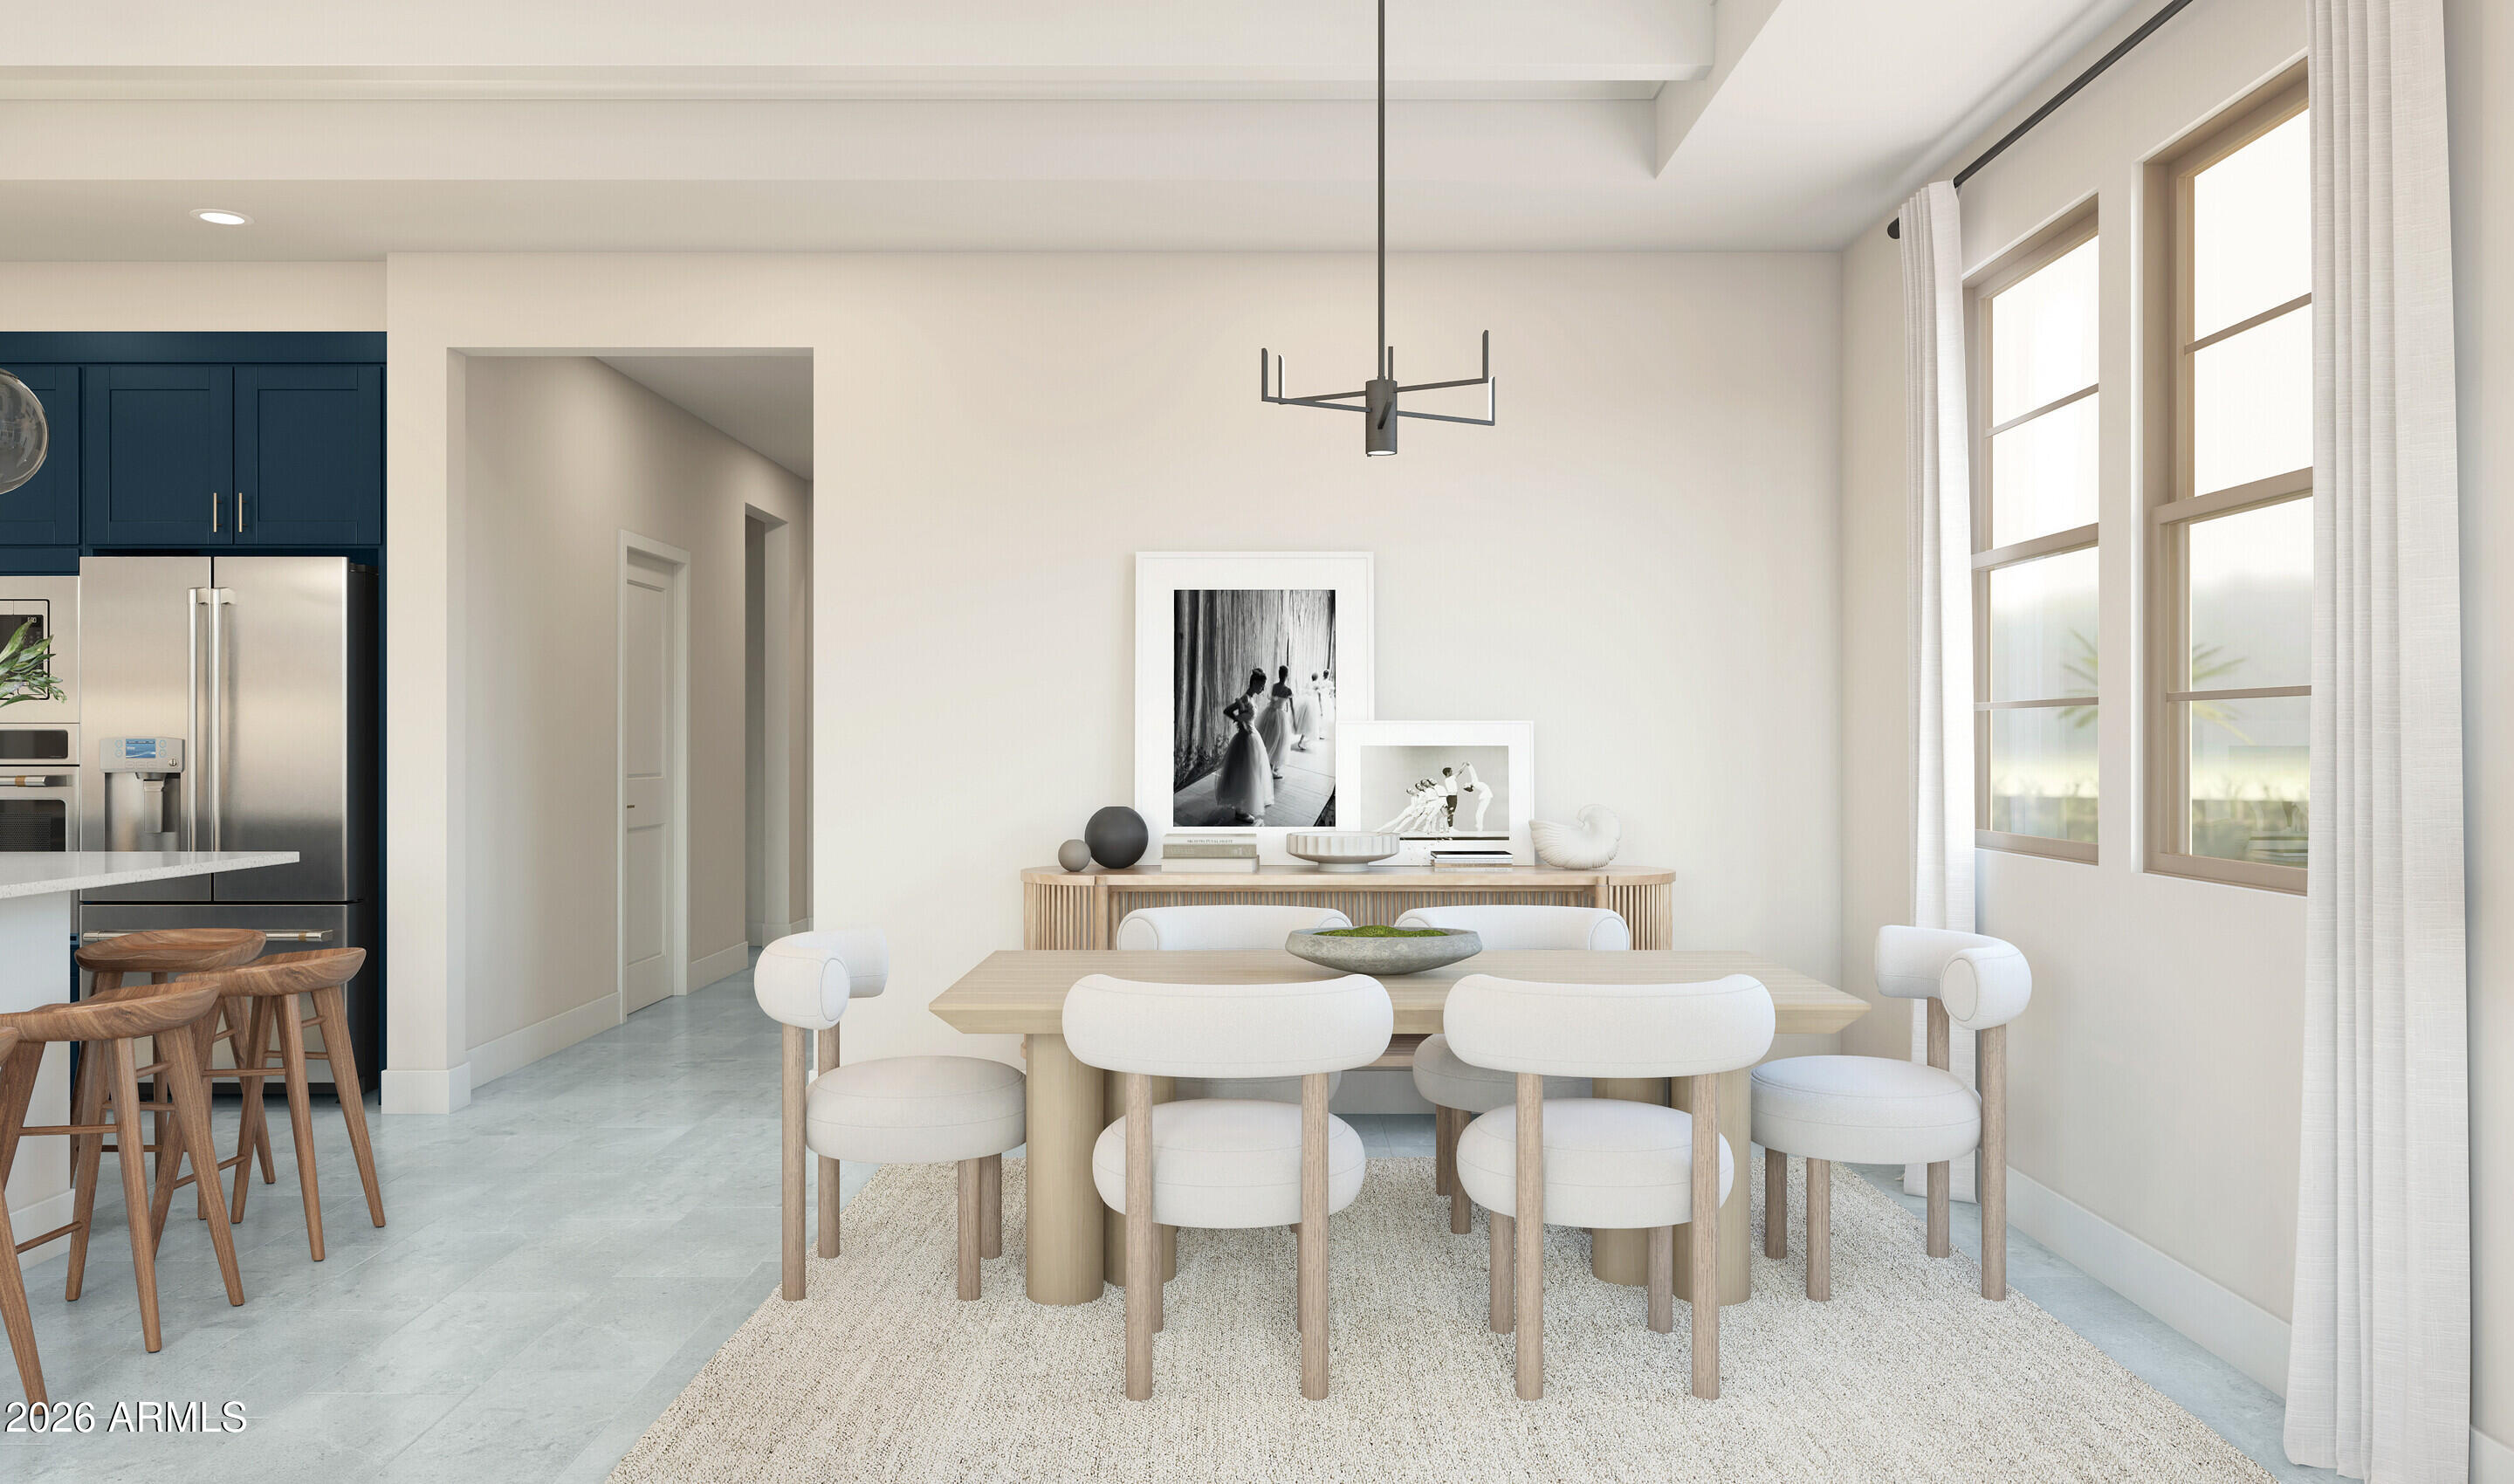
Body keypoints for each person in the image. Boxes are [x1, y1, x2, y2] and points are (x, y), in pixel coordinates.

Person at [1213, 669, 1274, 823]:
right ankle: (1240, 811)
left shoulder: (1251, 699)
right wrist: (1240, 721)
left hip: (1252, 737)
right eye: (1261, 685)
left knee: (1251, 772)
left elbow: (1245, 716)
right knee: (1245, 773)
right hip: (1246, 739)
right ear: (1255, 683)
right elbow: (1227, 710)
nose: (1263, 689)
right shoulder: (1245, 698)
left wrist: (1243, 721)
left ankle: (1242, 806)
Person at [1259, 664, 1295, 777]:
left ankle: (1268, 765)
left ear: (1280, 675)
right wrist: (1295, 720)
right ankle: (1271, 769)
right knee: (1278, 742)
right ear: (1287, 676)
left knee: (1268, 740)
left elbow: (1273, 701)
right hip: (1280, 716)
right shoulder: (1288, 690)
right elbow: (1292, 707)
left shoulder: (1274, 686)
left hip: (1270, 714)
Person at [1291, 671, 1319, 750]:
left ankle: (1302, 740)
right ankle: (1301, 741)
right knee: (1308, 723)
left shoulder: (1308, 683)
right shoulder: (1316, 685)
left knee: (1305, 723)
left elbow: (1305, 691)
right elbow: (1317, 695)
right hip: (1311, 704)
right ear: (1316, 678)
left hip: (1304, 702)